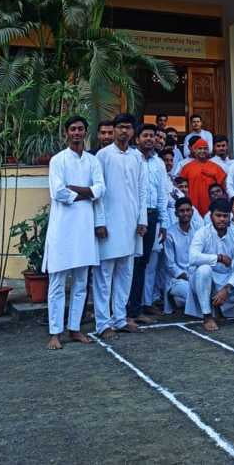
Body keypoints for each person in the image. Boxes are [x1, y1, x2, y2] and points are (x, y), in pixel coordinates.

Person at [44, 116, 105, 350]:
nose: (77, 133)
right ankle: (55, 332)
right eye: (73, 129)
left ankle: (75, 328)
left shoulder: (92, 161)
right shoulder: (57, 160)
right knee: (57, 282)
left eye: (80, 129)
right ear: (66, 133)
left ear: (85, 132)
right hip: (62, 228)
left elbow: (101, 189)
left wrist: (79, 190)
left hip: (84, 228)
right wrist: (88, 194)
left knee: (81, 283)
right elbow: (58, 192)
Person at [93, 113, 147, 336]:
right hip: (109, 224)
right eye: (120, 127)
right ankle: (103, 323)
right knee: (104, 276)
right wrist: (99, 222)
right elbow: (98, 192)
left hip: (131, 224)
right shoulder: (103, 155)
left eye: (128, 127)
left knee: (125, 274)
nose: (124, 131)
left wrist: (142, 219)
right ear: (114, 130)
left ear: (133, 131)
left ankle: (120, 318)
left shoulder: (137, 157)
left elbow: (142, 190)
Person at [186, 199, 234, 331]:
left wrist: (227, 289)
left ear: (230, 216)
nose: (222, 219)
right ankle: (207, 315)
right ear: (211, 216)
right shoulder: (202, 233)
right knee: (204, 269)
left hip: (225, 278)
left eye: (225, 216)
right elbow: (192, 257)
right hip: (203, 279)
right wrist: (218, 258)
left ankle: (217, 304)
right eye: (218, 215)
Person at [127, 123, 169, 324]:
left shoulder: (159, 163)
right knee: (130, 263)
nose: (150, 139)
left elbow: (162, 194)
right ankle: (126, 310)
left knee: (143, 263)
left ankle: (137, 308)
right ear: (137, 139)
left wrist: (164, 222)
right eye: (145, 135)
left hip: (152, 217)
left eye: (153, 136)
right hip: (133, 217)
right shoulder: (132, 159)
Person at [163, 197, 199, 313]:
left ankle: (181, 302)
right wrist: (189, 277)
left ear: (192, 212)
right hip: (177, 279)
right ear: (176, 213)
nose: (185, 213)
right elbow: (170, 266)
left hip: (197, 275)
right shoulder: (170, 234)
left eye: (188, 210)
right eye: (182, 211)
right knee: (196, 293)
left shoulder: (199, 230)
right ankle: (177, 298)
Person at [179, 138, 226, 215]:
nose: (202, 151)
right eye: (200, 148)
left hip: (212, 206)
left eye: (205, 148)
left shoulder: (216, 167)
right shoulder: (186, 168)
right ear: (194, 150)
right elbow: (181, 187)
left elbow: (223, 187)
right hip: (192, 206)